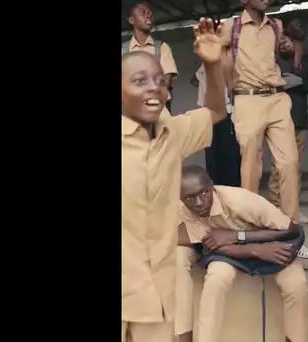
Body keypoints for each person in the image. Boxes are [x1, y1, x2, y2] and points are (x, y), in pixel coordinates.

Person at [121, 19, 226, 342]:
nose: (154, 87)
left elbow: (215, 112)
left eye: (160, 80)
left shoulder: (173, 132)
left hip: (156, 297)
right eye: (140, 81)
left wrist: (212, 65)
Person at [176, 165, 308, 342]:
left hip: (270, 245)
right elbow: (214, 247)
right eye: (190, 198)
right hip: (228, 254)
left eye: (204, 193)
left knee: (297, 285)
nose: (199, 203)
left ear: (212, 186)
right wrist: (255, 250)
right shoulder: (186, 210)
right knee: (216, 279)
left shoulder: (240, 201)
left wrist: (238, 237)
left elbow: (290, 229)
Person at [218, 0, 301, 225]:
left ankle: (289, 227)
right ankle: (252, 225)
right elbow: (221, 57)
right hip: (247, 99)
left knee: (289, 163)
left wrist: (288, 49)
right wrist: (230, 90)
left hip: (277, 98)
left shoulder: (276, 25)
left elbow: (281, 57)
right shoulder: (231, 26)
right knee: (250, 168)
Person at [268, 17, 308, 228]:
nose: (301, 30)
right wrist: (282, 82)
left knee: (295, 167)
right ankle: (274, 209)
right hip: (280, 115)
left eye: (304, 27)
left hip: (299, 116)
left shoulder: (304, 57)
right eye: (297, 26)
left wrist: (300, 81)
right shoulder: (276, 55)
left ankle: (293, 210)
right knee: (278, 167)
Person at [123, 0, 179, 112]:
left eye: (150, 13)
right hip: (131, 109)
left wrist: (148, 97)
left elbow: (167, 79)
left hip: (158, 107)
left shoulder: (161, 47)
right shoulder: (123, 50)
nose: (148, 15)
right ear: (131, 20)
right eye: (143, 13)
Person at [195, 60, 242, 187]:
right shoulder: (205, 65)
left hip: (228, 112)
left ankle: (232, 193)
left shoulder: (230, 61)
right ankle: (215, 192)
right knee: (212, 159)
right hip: (209, 115)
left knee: (230, 158)